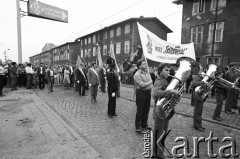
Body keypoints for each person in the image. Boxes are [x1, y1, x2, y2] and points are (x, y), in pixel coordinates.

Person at [151, 63, 178, 158]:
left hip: (164, 110)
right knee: (158, 133)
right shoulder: (159, 81)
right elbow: (156, 94)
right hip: (160, 111)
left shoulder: (165, 80)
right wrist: (170, 91)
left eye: (169, 70)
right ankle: (156, 154)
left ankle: (159, 152)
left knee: (163, 133)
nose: (168, 72)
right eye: (166, 70)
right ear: (160, 71)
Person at [133, 59, 152, 133]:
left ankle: (144, 125)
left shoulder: (147, 72)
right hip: (141, 93)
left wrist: (148, 82)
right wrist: (150, 82)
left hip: (148, 93)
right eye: (143, 64)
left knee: (146, 110)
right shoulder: (137, 74)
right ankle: (138, 126)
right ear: (139, 66)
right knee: (140, 111)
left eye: (145, 63)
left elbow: (148, 81)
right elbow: (142, 85)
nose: (145, 65)